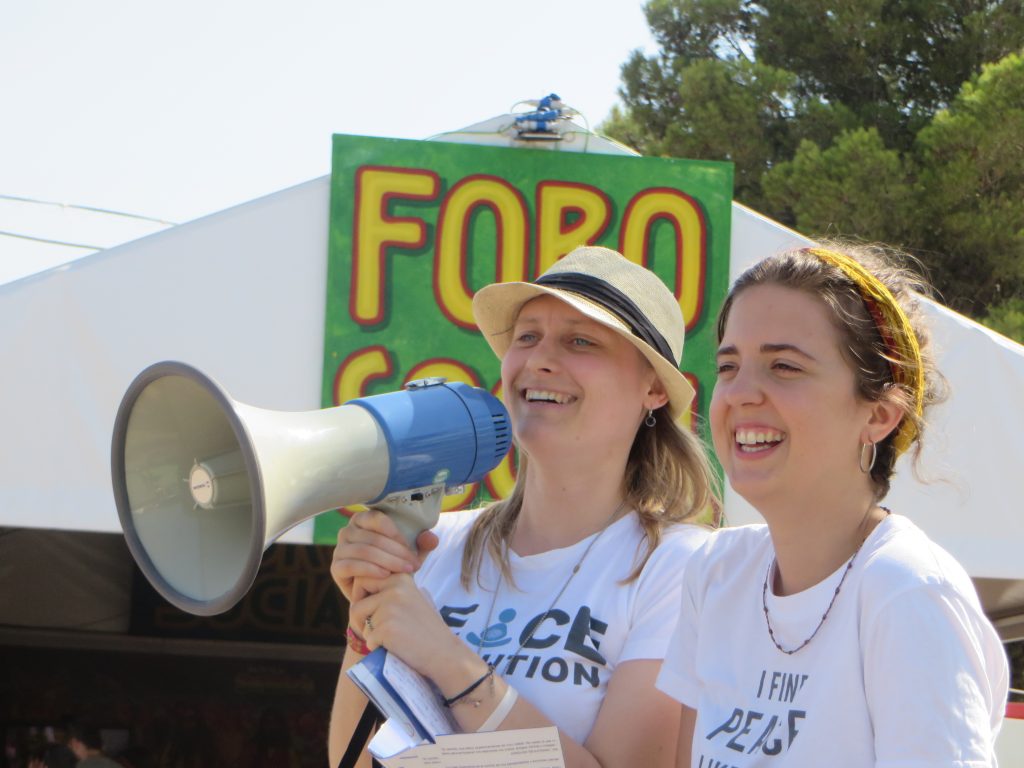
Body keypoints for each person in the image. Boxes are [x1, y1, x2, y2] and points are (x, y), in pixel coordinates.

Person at [328, 245, 720, 768]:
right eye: (526, 336)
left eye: (581, 341)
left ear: (652, 387)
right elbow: (349, 762)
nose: (539, 360)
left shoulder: (683, 567)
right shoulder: (432, 545)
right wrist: (365, 623)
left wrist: (447, 660)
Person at [657, 244, 1009, 766]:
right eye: (729, 366)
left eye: (784, 366)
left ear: (879, 416)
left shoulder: (906, 591)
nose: (741, 394)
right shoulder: (717, 572)